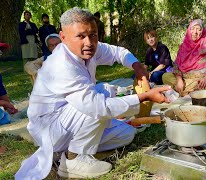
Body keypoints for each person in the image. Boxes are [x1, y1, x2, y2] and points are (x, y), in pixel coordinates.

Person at [15, 7, 170, 179]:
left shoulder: (90, 48)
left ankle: (68, 152)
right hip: (51, 128)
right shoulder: (61, 65)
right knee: (102, 93)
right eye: (80, 36)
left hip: (71, 120)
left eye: (93, 35)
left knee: (126, 134)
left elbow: (118, 52)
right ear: (63, 38)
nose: (89, 42)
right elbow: (98, 107)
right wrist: (145, 96)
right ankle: (74, 160)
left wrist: (137, 66)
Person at [162, 19, 206, 96]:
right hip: (185, 79)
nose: (195, 32)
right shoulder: (184, 45)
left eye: (199, 30)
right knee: (165, 76)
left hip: (202, 79)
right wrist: (179, 80)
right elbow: (177, 65)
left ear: (202, 31)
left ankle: (183, 92)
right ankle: (190, 91)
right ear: (189, 30)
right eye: (193, 29)